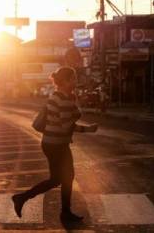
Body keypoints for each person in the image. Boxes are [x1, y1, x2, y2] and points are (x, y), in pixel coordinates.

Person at [12, 67, 98, 222]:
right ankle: (23, 198)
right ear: (65, 81)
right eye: (73, 78)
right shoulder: (62, 99)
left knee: (63, 178)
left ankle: (63, 211)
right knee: (60, 179)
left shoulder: (62, 96)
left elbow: (67, 120)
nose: (76, 81)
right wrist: (88, 129)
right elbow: (67, 125)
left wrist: (73, 103)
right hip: (56, 145)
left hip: (54, 144)